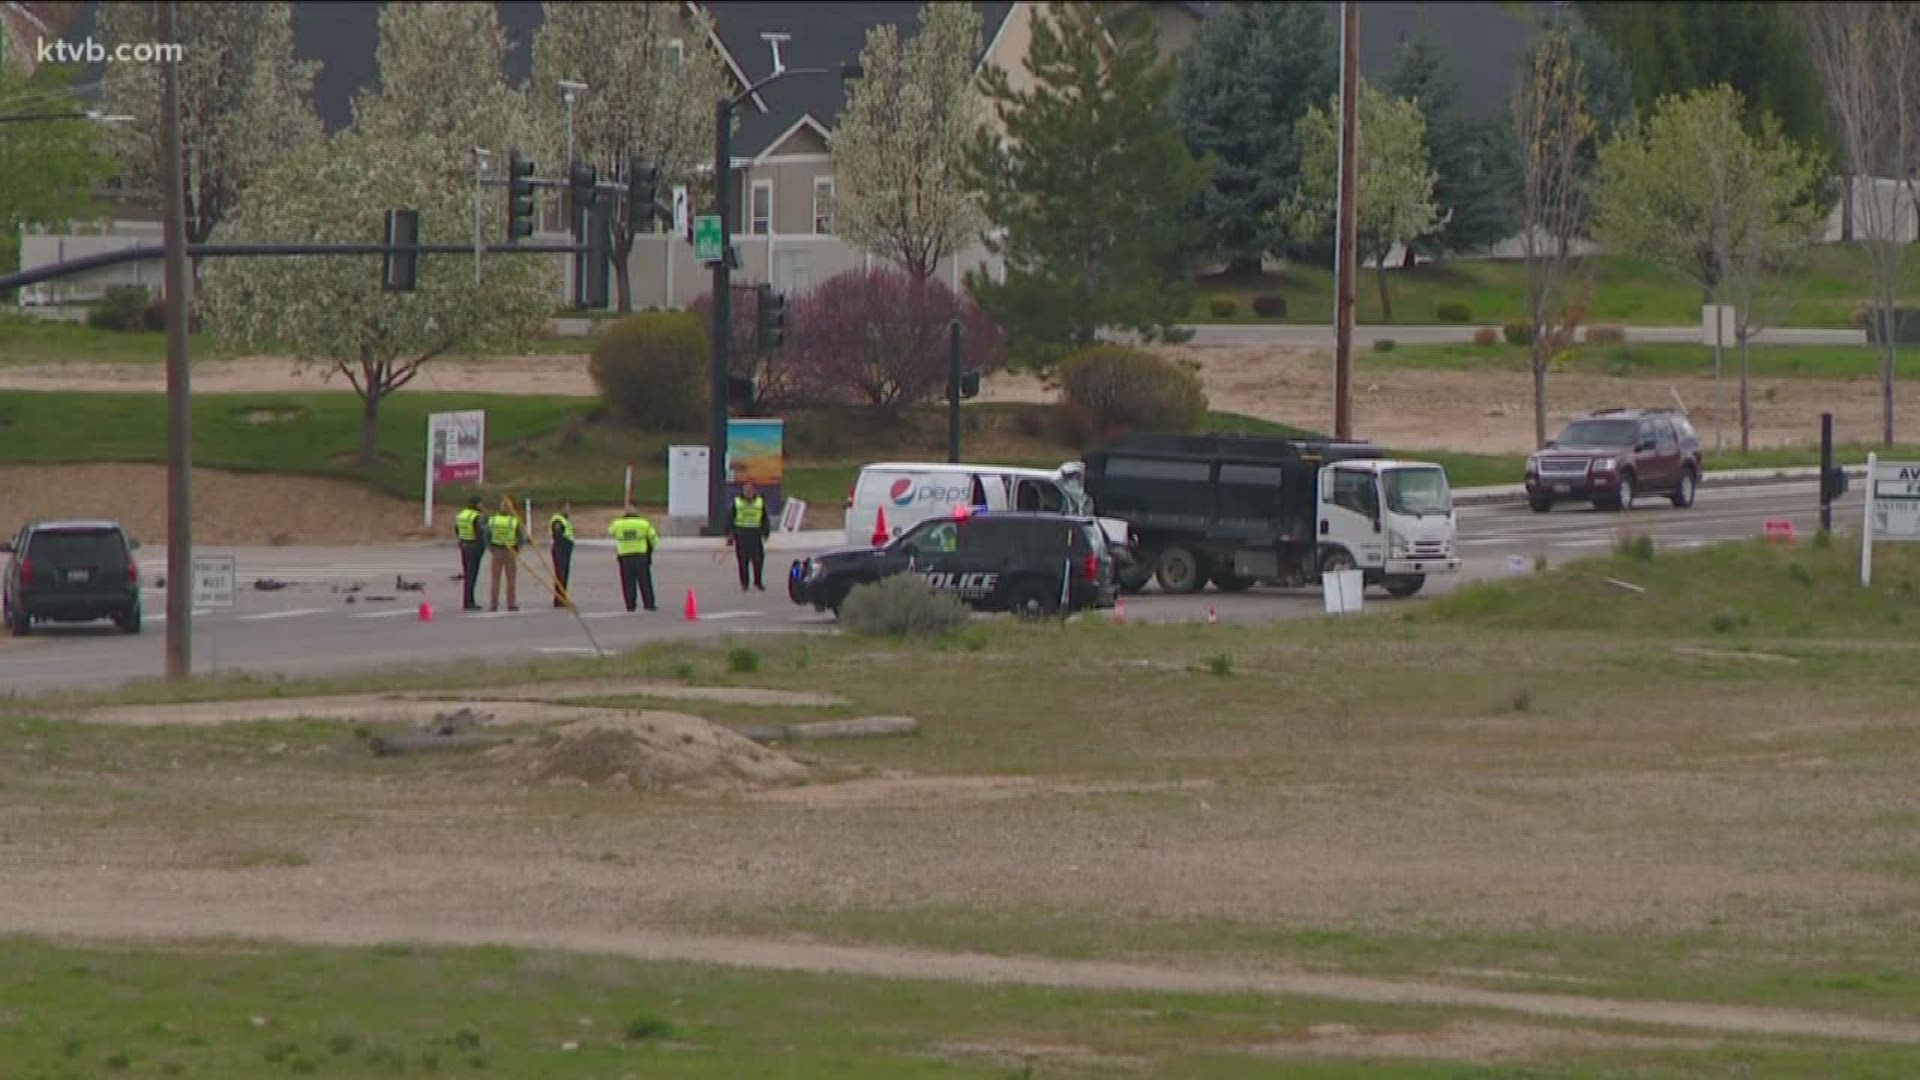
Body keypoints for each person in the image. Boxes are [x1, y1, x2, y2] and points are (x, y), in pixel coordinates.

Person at [608, 505, 661, 613]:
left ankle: (630, 605)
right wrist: (651, 549)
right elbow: (653, 537)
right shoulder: (643, 523)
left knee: (628, 582)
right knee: (645, 581)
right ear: (636, 512)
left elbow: (611, 532)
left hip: (625, 556)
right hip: (640, 555)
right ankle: (649, 604)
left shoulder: (617, 524)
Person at [729, 479, 772, 592]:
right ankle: (745, 584)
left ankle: (758, 582)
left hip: (755, 535)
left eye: (750, 490)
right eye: (745, 490)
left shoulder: (759, 502)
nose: (748, 492)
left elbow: (764, 518)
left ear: (754, 491)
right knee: (743, 562)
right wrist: (730, 535)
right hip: (741, 535)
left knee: (758, 561)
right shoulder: (737, 502)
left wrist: (766, 532)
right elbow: (730, 519)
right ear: (742, 491)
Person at [487, 495, 526, 612]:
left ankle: (493, 604)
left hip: (497, 550)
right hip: (510, 551)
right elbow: (520, 537)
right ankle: (511, 604)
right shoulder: (513, 521)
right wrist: (517, 549)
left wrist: (490, 547)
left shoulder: (493, 520)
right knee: (510, 579)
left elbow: (487, 535)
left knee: (495, 579)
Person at [454, 495, 486, 612]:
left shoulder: (461, 514)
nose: (482, 506)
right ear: (477, 504)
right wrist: (482, 547)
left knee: (467, 574)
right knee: (472, 575)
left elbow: (457, 530)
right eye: (481, 504)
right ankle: (469, 602)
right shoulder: (476, 516)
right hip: (474, 547)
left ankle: (466, 600)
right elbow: (480, 534)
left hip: (464, 545)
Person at [548, 501, 574, 608]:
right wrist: (565, 543)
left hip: (564, 549)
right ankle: (559, 599)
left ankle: (561, 597)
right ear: (561, 508)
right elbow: (558, 534)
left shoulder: (564, 519)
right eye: (567, 508)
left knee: (563, 575)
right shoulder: (558, 520)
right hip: (561, 549)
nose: (569, 510)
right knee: (561, 575)